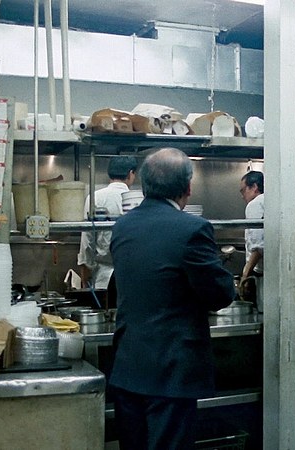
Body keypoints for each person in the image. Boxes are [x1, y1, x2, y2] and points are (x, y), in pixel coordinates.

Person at [109, 147, 235, 450]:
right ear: (188, 187)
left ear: (144, 185)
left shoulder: (123, 226)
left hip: (128, 368)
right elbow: (219, 294)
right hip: (170, 373)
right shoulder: (192, 229)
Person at [77, 156, 137, 289]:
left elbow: (87, 242)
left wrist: (85, 275)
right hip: (131, 276)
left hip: (103, 278)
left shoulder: (95, 197)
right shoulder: (136, 200)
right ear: (131, 174)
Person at [239, 171, 264, 292]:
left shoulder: (255, 204)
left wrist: (245, 275)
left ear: (254, 187)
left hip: (262, 272)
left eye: (243, 190)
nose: (242, 196)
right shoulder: (275, 201)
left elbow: (259, 247)